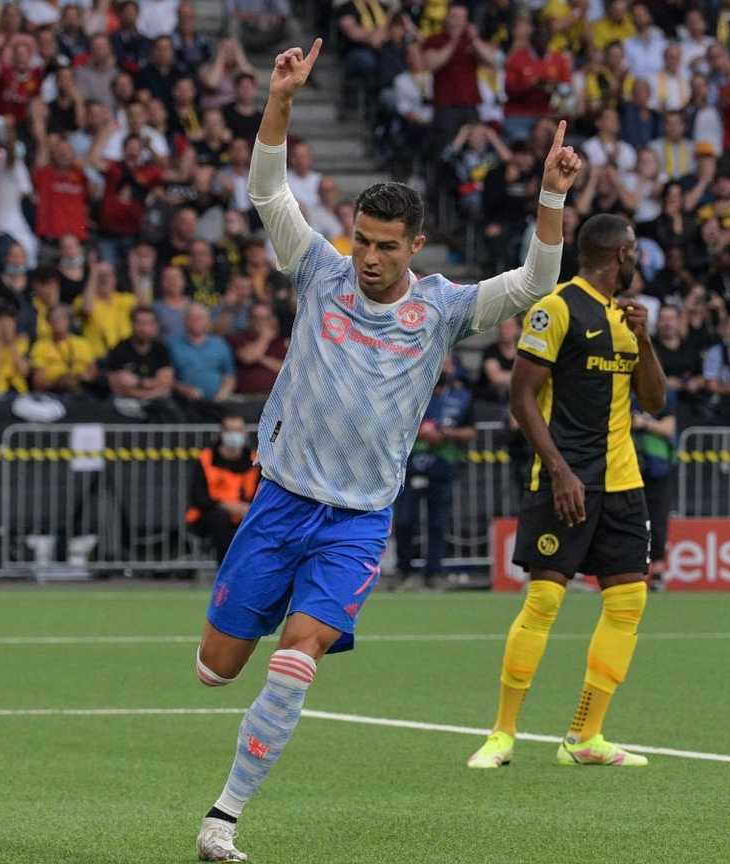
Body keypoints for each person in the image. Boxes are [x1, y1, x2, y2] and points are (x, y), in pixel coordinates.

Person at [194, 40, 578, 863]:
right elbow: (267, 189)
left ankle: (222, 817)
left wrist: (549, 193)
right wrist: (282, 99)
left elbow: (536, 282)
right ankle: (248, 628)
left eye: (384, 245)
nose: (368, 257)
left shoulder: (442, 309)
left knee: (299, 658)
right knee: (216, 668)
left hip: (357, 521)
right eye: (362, 240)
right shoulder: (319, 271)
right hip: (282, 500)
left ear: (415, 245)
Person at [467, 212, 666, 770]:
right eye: (635, 255)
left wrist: (645, 341)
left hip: (623, 484)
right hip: (566, 483)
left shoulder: (627, 318)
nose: (637, 263)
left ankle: (585, 735)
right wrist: (558, 470)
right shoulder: (555, 307)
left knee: (628, 603)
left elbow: (654, 401)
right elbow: (521, 398)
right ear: (622, 254)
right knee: (545, 600)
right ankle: (502, 733)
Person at [392, 353, 474, 590]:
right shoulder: (410, 396)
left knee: (437, 522)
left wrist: (447, 435)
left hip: (443, 464)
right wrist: (420, 433)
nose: (441, 369)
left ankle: (434, 573)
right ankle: (403, 570)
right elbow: (394, 426)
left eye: (446, 364)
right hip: (410, 465)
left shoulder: (461, 398)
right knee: (406, 520)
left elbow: (472, 431)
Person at [186, 413, 260, 563]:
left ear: (245, 434)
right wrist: (226, 506)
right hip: (209, 515)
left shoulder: (254, 461)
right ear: (221, 433)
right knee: (220, 520)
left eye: (238, 430)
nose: (234, 435)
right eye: (230, 430)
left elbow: (261, 494)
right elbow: (198, 497)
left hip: (246, 514)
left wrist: (246, 508)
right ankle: (225, 570)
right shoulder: (206, 458)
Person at [106, 307, 185, 422]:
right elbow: (117, 387)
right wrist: (152, 384)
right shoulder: (120, 349)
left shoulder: (161, 349)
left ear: (155, 326)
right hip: (126, 401)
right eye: (140, 323)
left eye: (149, 323)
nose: (144, 328)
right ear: (132, 325)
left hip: (156, 400)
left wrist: (138, 383)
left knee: (172, 410)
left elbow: (165, 385)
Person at [30, 305, 99, 395]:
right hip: (54, 392)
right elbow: (38, 381)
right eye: (53, 318)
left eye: (61, 317)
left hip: (83, 389)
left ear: (68, 320)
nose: (58, 321)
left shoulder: (82, 343)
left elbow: (93, 371)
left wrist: (81, 378)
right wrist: (58, 383)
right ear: (48, 322)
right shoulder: (40, 346)